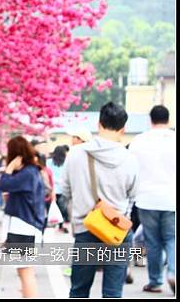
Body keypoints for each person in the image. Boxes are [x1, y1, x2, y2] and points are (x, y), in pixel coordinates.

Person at [60, 102, 139, 298]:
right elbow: (133, 195)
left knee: (79, 290)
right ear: (123, 129)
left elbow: (65, 191)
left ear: (99, 124)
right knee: (113, 293)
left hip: (85, 228)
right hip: (116, 230)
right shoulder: (130, 158)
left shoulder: (76, 154)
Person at [128, 105, 176, 294]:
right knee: (172, 238)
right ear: (168, 119)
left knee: (152, 241)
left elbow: (131, 171)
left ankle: (155, 281)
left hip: (145, 198)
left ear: (150, 120)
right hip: (172, 198)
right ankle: (173, 272)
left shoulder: (138, 141)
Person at [0, 136, 45, 298]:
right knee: (24, 272)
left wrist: (9, 168)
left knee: (25, 272)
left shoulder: (27, 173)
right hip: (26, 227)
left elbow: (4, 184)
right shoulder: (31, 172)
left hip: (24, 227)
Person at [47, 145, 70, 232]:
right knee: (62, 208)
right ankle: (61, 224)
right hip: (62, 189)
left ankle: (51, 223)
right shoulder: (66, 162)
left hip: (51, 189)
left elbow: (47, 174)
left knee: (52, 207)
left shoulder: (49, 162)